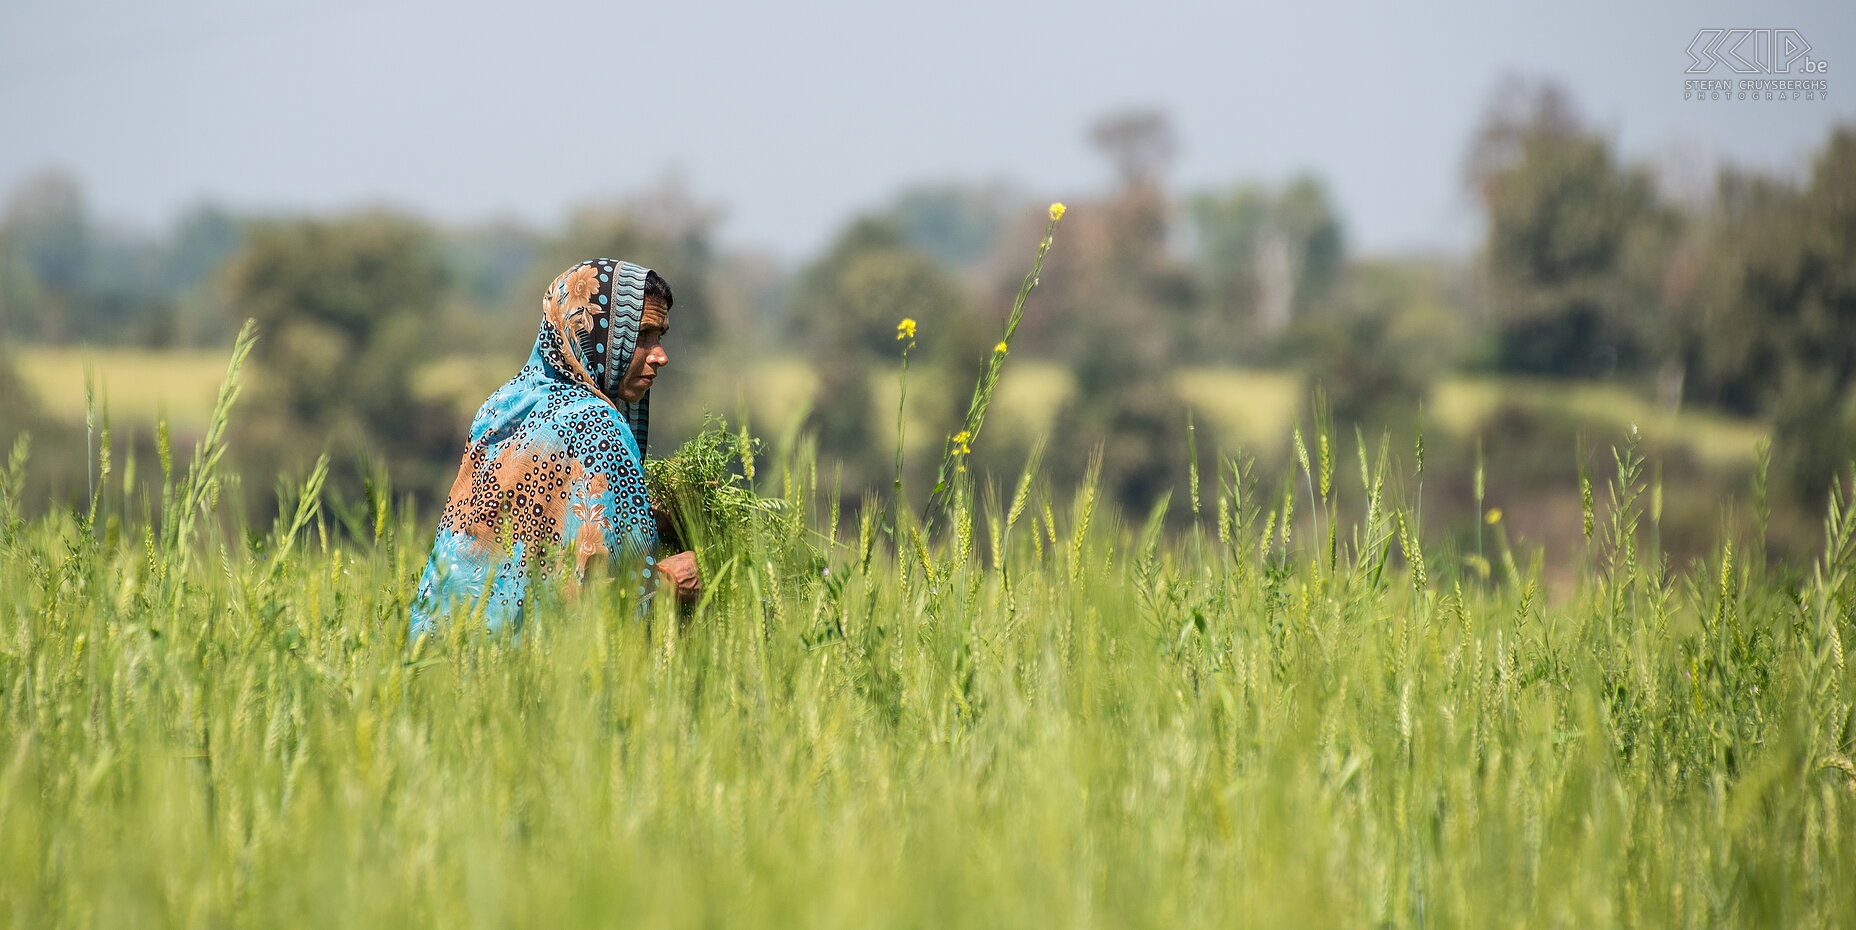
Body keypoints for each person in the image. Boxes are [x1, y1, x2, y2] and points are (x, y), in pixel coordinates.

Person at [407, 258, 700, 638]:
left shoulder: (503, 405)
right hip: (525, 677)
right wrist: (670, 583)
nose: (660, 355)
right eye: (642, 335)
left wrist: (651, 517)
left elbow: (529, 534)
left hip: (442, 657)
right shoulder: (597, 424)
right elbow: (590, 594)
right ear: (597, 337)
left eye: (660, 336)